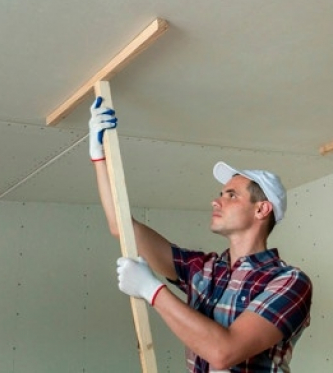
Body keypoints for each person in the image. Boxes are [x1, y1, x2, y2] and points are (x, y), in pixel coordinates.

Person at [88, 97, 312, 373]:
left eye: (232, 195)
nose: (216, 201)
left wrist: (151, 289)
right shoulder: (204, 270)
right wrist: (100, 157)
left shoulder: (289, 282)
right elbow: (121, 228)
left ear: (262, 209)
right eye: (221, 194)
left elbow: (223, 352)